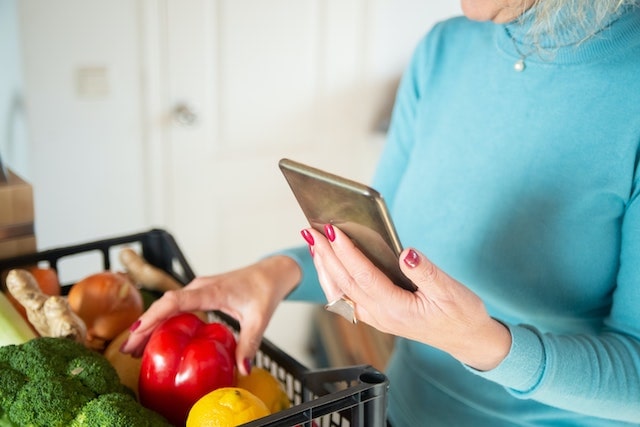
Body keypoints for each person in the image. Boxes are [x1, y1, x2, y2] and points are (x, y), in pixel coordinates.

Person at [121, 0, 640, 425]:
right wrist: (270, 273)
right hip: (399, 412)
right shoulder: (444, 49)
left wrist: (482, 343)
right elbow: (379, 246)